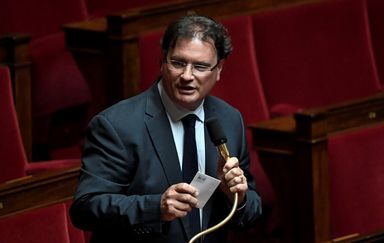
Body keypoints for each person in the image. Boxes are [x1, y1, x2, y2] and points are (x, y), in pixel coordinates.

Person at [69, 14, 262, 243]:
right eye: (178, 63)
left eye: (200, 66)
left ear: (218, 69)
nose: (187, 76)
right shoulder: (116, 126)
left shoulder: (229, 119)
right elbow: (85, 208)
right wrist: (155, 208)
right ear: (162, 61)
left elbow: (251, 211)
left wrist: (235, 197)